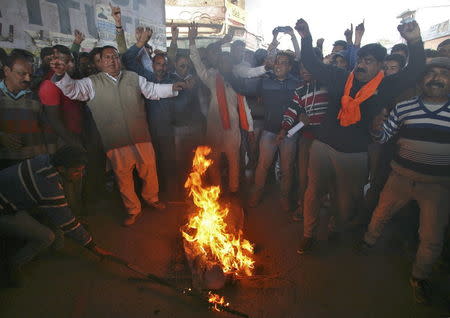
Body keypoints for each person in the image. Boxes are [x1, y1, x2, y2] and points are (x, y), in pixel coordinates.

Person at [294, 18, 425, 253]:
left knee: (345, 202)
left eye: (369, 61)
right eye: (361, 60)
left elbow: (415, 71)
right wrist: (306, 37)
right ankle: (307, 233)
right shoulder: (340, 77)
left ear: (380, 65)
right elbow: (312, 64)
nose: (362, 65)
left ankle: (335, 227)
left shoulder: (386, 86)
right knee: (313, 192)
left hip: (354, 155)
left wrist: (414, 41)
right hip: (322, 146)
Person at [50, 45, 185, 226]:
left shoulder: (132, 77)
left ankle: (152, 199)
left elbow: (152, 90)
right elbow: (72, 89)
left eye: (115, 57)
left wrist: (172, 87)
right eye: (107, 57)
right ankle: (133, 210)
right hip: (115, 142)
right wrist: (60, 75)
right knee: (124, 180)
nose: (112, 61)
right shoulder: (92, 83)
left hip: (141, 137)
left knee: (149, 172)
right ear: (101, 62)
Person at [357, 57, 450, 305]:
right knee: (381, 213)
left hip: (437, 186)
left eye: (443, 73)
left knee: (431, 236)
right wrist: (377, 129)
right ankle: (368, 242)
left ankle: (420, 277)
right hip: (400, 177)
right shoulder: (405, 107)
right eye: (431, 74)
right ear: (421, 80)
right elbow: (383, 136)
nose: (436, 78)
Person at [0, 146, 110, 287]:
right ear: (62, 169)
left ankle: (58, 245)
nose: (81, 175)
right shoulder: (48, 186)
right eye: (77, 171)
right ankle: (12, 265)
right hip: (4, 210)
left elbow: (60, 210)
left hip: (10, 197)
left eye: (82, 170)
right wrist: (92, 246)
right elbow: (66, 220)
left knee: (57, 213)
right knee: (47, 237)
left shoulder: (45, 159)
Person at [188, 22, 254, 195]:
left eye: (227, 62)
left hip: (232, 128)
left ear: (231, 65)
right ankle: (216, 189)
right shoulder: (212, 77)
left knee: (234, 161)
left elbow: (250, 82)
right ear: (219, 65)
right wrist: (192, 41)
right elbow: (197, 64)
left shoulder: (237, 79)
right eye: (222, 62)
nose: (224, 64)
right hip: (214, 127)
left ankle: (233, 190)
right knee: (214, 161)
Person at [230, 51, 299, 211]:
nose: (278, 65)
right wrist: (229, 73)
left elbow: (300, 106)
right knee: (262, 165)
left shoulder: (297, 83)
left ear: (289, 67)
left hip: (289, 133)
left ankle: (284, 198)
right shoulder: (265, 81)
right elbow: (243, 88)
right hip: (269, 130)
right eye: (277, 62)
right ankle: (256, 194)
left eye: (283, 63)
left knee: (287, 168)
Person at [278, 62, 329, 220]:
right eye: (301, 69)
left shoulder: (328, 86)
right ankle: (303, 206)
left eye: (307, 67)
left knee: (322, 176)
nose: (304, 71)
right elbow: (292, 110)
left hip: (325, 140)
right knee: (303, 176)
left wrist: (310, 119)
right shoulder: (299, 90)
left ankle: (321, 204)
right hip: (306, 138)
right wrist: (284, 128)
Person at [0, 49, 58, 170]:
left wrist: (52, 159)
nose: (28, 79)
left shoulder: (36, 97)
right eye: (22, 74)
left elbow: (48, 129)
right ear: (6, 71)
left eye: (30, 75)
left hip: (33, 163)